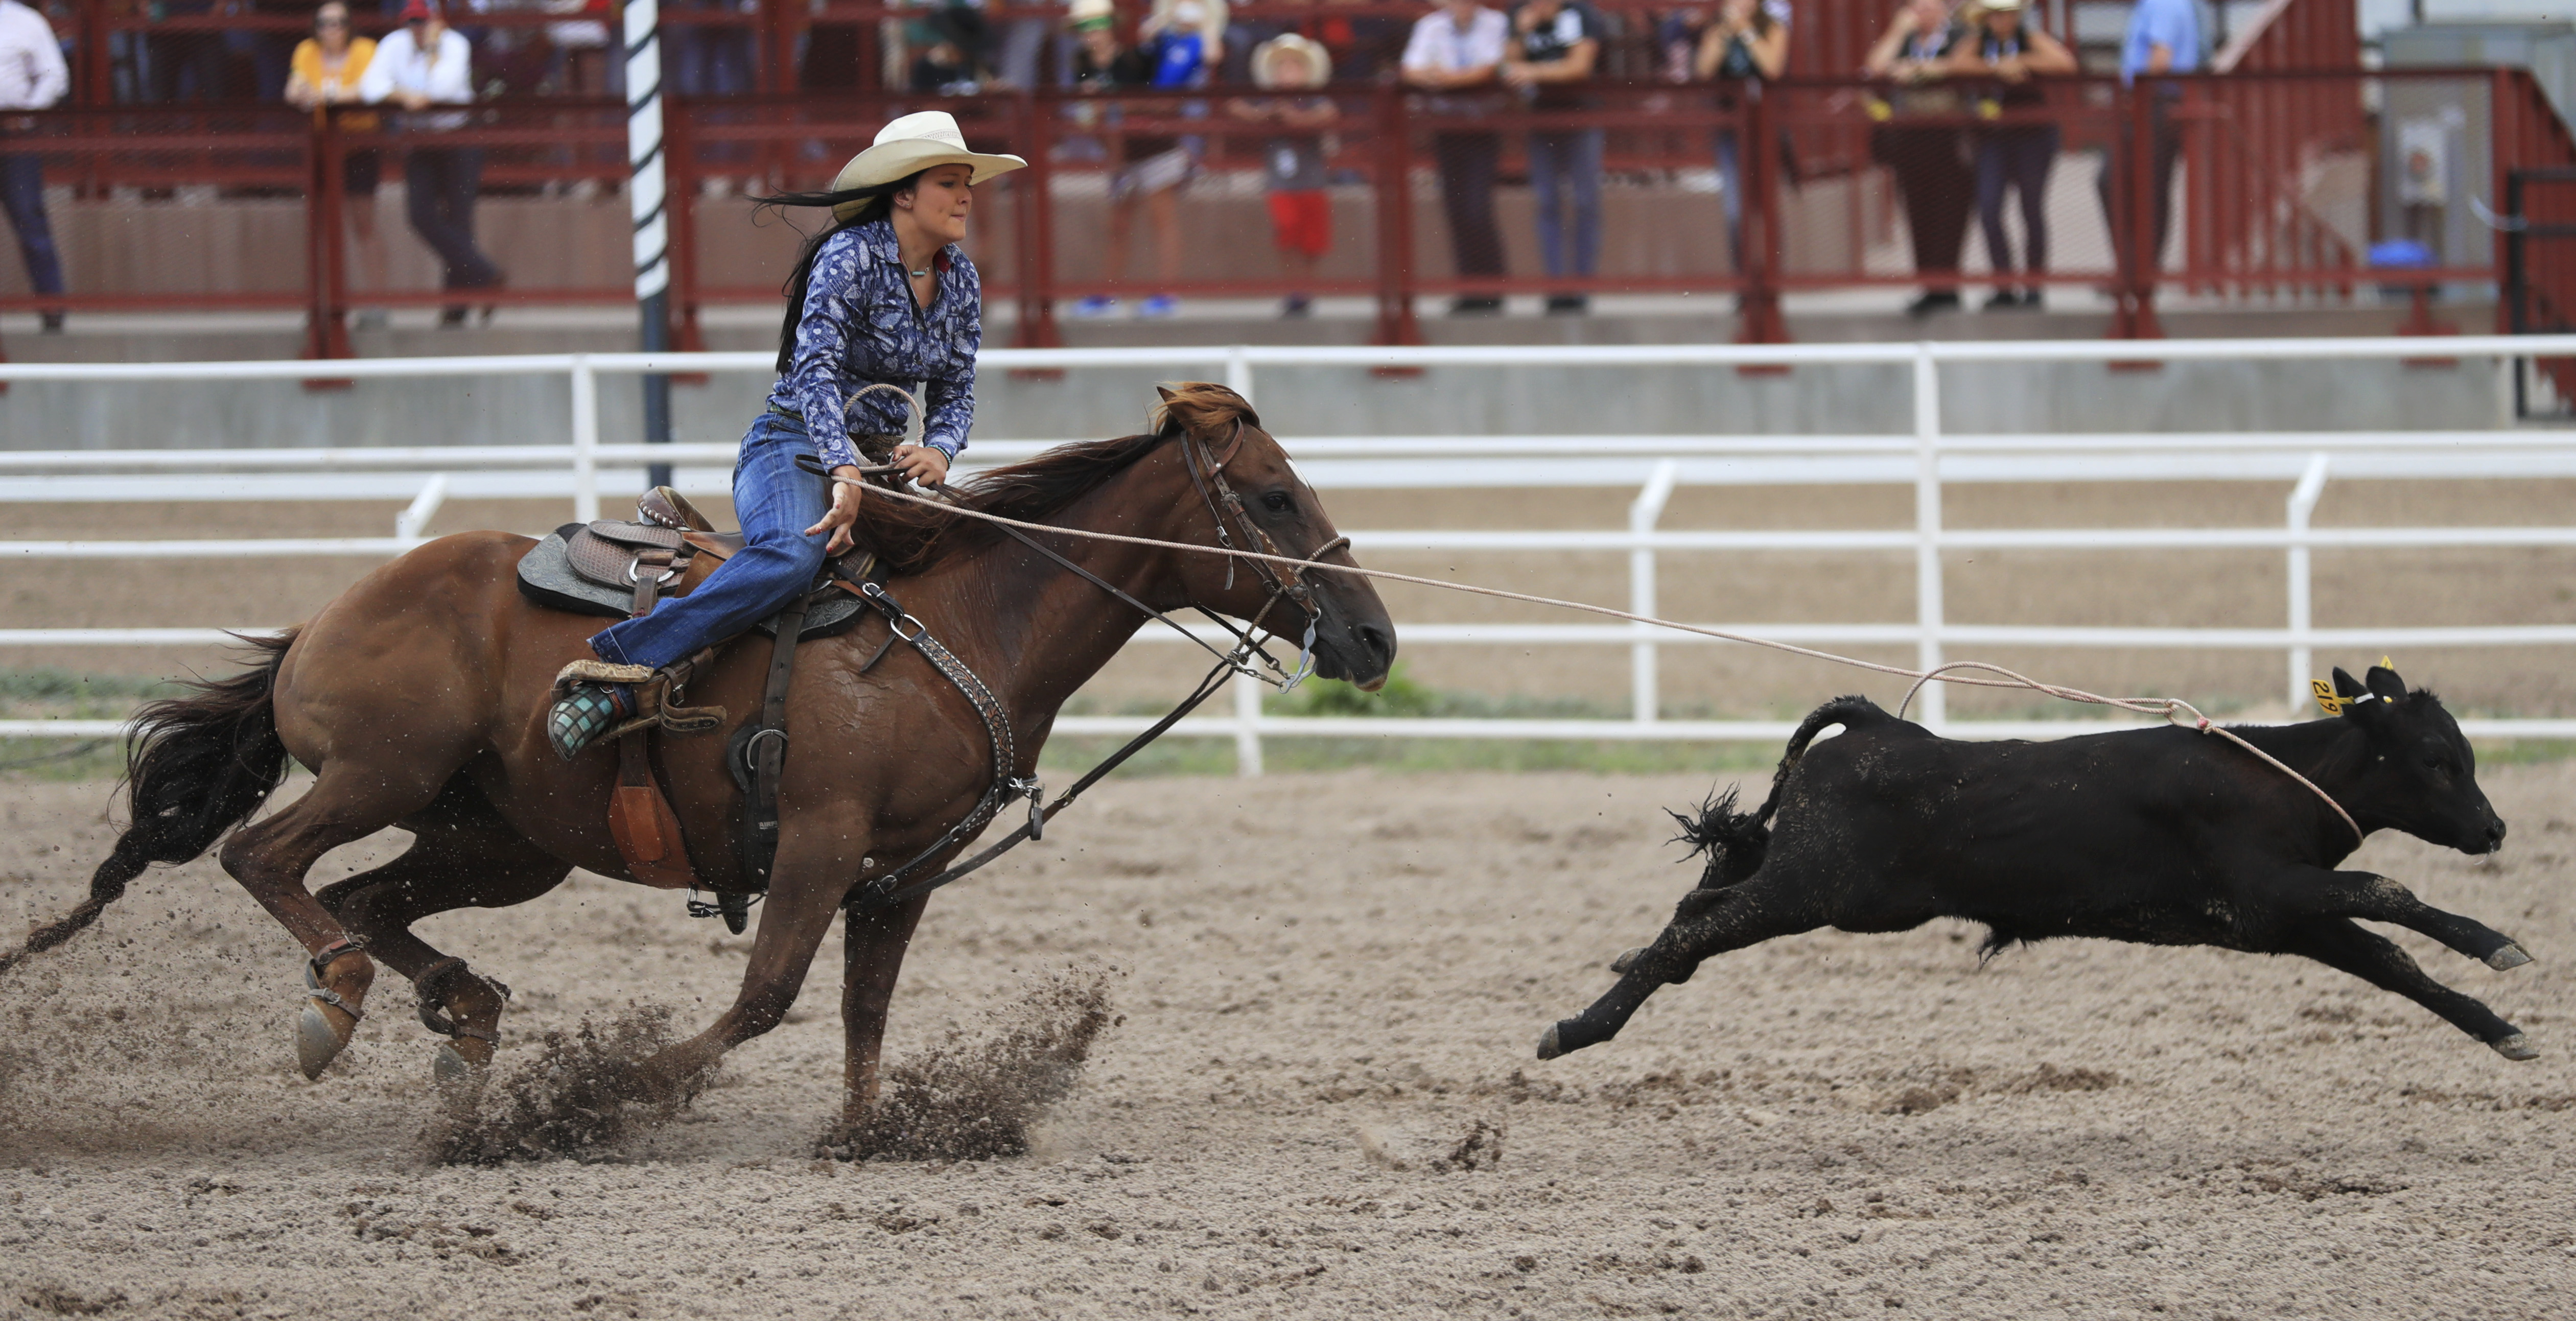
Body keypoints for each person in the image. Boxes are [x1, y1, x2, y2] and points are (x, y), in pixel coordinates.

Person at [547, 112, 1027, 760]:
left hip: (884, 465)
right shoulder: (849, 256)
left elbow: (956, 385)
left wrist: (939, 448)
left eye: (967, 182)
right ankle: (624, 665)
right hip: (792, 443)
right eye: (949, 181)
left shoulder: (960, 278)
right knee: (790, 556)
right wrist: (841, 467)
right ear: (903, 193)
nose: (966, 195)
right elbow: (815, 370)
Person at [361, 0, 504, 327]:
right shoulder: (394, 44)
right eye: (412, 21)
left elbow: (440, 88)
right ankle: (486, 274)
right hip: (422, 139)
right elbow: (371, 88)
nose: (417, 28)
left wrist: (432, 49)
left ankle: (456, 309)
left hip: (458, 136)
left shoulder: (455, 44)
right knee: (420, 215)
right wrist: (403, 96)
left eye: (423, 21)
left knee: (460, 219)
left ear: (437, 21)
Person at [1069, 0, 1208, 319]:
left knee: (1162, 220)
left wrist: (1120, 108)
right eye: (1085, 28)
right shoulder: (1081, 64)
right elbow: (1088, 118)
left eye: (1097, 26)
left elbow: (1162, 96)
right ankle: (1109, 294)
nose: (1092, 35)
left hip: (1156, 148)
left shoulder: (1137, 57)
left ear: (1110, 27)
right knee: (1118, 224)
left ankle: (1166, 294)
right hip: (1121, 155)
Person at [1952, 0, 2070, 310]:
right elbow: (1956, 64)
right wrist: (1996, 66)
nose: (2000, 21)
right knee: (1989, 208)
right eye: (1994, 15)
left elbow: (2064, 63)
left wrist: (2022, 62)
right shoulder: (1979, 44)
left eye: (2006, 14)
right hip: (1994, 138)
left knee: (2031, 208)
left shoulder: (2032, 39)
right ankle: (2003, 284)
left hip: (2034, 136)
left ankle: (2034, 284)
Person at [1863, 0, 1970, 317]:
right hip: (1911, 138)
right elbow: (1874, 68)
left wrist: (1922, 70)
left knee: (1950, 213)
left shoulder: (1961, 35)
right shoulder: (1905, 39)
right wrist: (1897, 32)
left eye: (1929, 7)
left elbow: (1969, 65)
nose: (1922, 13)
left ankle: (1947, 286)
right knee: (1917, 210)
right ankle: (1928, 286)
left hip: (1951, 137)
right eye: (1916, 8)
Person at [1401, 0, 1508, 315]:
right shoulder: (1431, 26)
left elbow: (1491, 69)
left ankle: (1492, 288)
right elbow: (1411, 69)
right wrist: (1452, 78)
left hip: (1483, 126)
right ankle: (1470, 289)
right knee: (1456, 208)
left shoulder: (1496, 24)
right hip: (1446, 127)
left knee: (1478, 206)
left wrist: (1445, 79)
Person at [288, 3, 389, 328]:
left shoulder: (365, 50)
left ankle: (375, 305)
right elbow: (294, 90)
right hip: (320, 148)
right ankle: (321, 305)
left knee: (364, 225)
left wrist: (324, 96)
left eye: (339, 23)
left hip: (357, 146)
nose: (332, 29)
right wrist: (320, 94)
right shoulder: (306, 51)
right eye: (324, 23)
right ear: (315, 28)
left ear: (350, 26)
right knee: (319, 228)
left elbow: (368, 90)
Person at [1504, 0, 1602, 315]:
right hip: (1540, 119)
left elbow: (1579, 66)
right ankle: (1556, 285)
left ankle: (1582, 286)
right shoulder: (1519, 13)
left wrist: (1533, 71)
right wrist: (1520, 34)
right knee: (1547, 201)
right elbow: (1508, 68)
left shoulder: (1581, 13)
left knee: (1585, 200)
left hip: (1582, 116)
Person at [1229, 33, 1337, 317]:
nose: (1288, 71)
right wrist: (1269, 113)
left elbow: (1328, 114)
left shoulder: (1315, 100)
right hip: (1281, 181)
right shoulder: (1269, 102)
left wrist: (1294, 118)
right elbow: (1242, 111)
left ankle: (1306, 288)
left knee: (1312, 239)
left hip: (1311, 180)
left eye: (1294, 65)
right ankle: (1292, 287)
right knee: (1286, 228)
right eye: (1283, 66)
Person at [2100, 0, 2198, 289]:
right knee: (2137, 185)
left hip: (2152, 101)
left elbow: (2160, 59)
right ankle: (2136, 268)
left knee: (2137, 185)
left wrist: (2135, 101)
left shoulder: (2164, 4)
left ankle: (2140, 271)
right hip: (2151, 100)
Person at [1696, 0, 1788, 280]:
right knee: (1736, 210)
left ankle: (1770, 278)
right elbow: (1704, 69)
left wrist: (1747, 32)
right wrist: (1726, 33)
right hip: (1729, 130)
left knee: (1765, 207)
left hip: (1764, 128)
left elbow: (1771, 67)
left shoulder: (1772, 26)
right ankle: (1744, 279)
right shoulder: (1716, 29)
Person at [0, 0, 66, 332]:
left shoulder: (26, 21)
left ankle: (52, 310)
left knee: (30, 219)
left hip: (16, 135)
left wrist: (28, 113)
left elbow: (55, 75)